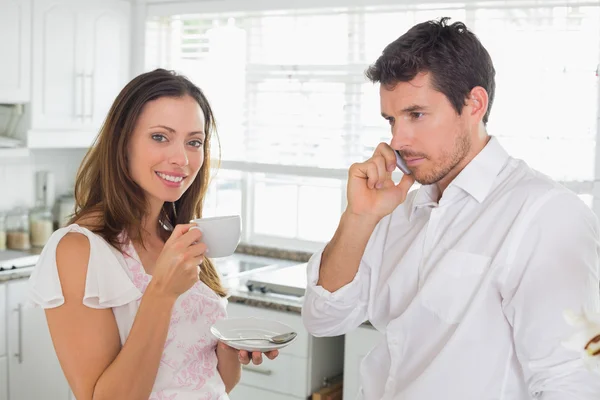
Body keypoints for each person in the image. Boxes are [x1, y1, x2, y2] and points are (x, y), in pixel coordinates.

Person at [301, 17, 600, 399]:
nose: (397, 139)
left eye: (416, 114)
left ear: (474, 103)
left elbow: (571, 381)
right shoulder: (398, 211)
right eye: (391, 119)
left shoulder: (546, 215)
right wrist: (358, 217)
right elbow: (323, 318)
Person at [28, 68, 278, 400]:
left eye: (194, 142)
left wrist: (232, 348)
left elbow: (218, 383)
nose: (182, 159)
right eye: (160, 136)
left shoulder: (180, 238)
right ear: (123, 141)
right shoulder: (79, 250)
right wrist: (161, 294)